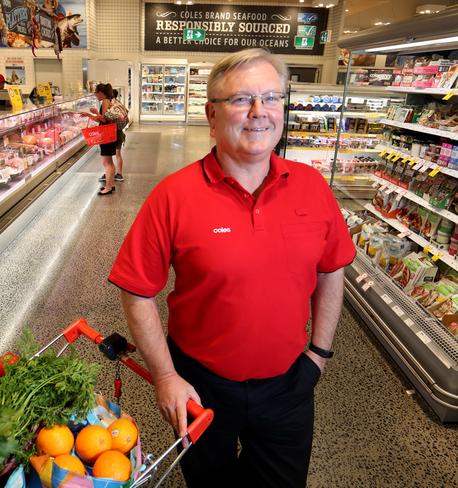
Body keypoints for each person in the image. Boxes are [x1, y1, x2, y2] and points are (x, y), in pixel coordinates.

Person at [108, 48, 356, 487]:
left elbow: (331, 269)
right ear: (211, 114)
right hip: (199, 387)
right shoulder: (173, 196)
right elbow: (137, 288)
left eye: (271, 98)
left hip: (289, 386)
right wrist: (165, 376)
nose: (259, 113)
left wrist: (318, 355)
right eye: (241, 100)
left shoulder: (312, 188)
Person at [81, 83, 117, 195]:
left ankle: (108, 187)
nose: (96, 96)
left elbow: (104, 119)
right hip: (109, 134)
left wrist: (94, 113)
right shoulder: (108, 100)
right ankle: (111, 185)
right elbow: (102, 120)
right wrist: (88, 115)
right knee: (109, 162)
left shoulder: (105, 101)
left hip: (106, 135)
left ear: (101, 93)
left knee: (106, 162)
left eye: (96, 93)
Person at [99, 88, 125, 183]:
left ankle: (111, 174)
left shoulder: (110, 105)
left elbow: (105, 118)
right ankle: (118, 174)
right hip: (119, 131)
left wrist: (95, 114)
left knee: (109, 157)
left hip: (113, 132)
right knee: (117, 154)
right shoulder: (117, 103)